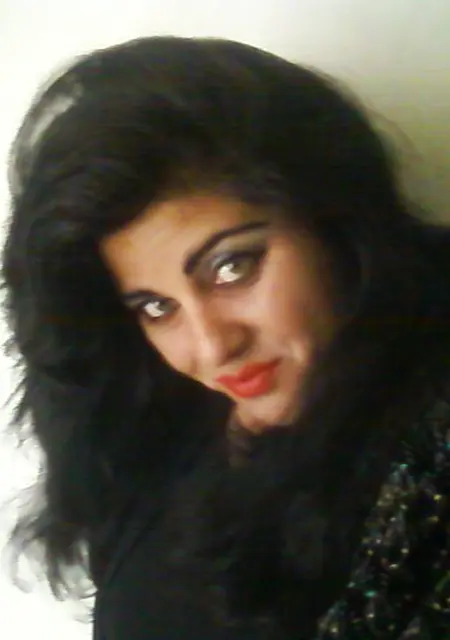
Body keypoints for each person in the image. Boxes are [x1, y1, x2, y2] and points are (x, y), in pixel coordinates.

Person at [2, 35, 450, 640]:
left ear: (335, 226)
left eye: (232, 267)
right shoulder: (151, 428)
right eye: (157, 307)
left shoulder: (427, 461)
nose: (213, 348)